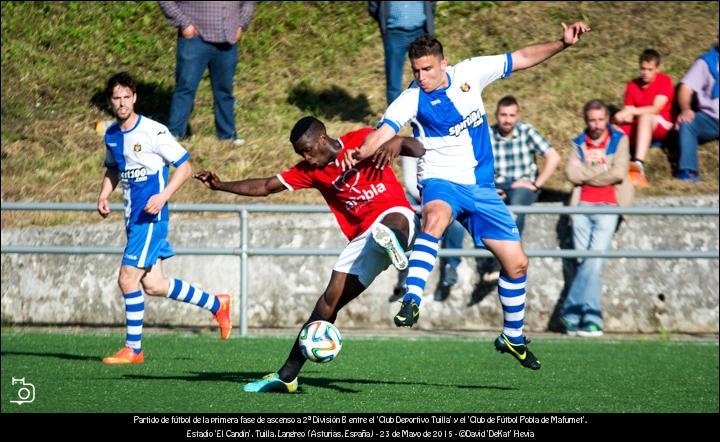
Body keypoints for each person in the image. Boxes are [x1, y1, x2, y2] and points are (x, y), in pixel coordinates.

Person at [344, 22, 593, 370]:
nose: (422, 76)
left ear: (444, 63)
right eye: (416, 71)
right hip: (439, 180)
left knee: (517, 262)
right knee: (436, 218)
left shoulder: (471, 73)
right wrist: (360, 153)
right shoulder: (412, 98)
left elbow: (520, 58)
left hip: (481, 188)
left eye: (427, 69)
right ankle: (412, 298)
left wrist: (562, 45)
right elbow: (383, 130)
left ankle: (512, 336)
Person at [194, 116, 424, 393]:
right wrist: (221, 185)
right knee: (328, 302)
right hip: (364, 238)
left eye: (308, 150)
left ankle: (396, 242)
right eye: (301, 153)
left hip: (395, 217)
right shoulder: (310, 171)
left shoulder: (362, 139)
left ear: (322, 139)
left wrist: (397, 141)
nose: (306, 157)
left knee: (395, 219)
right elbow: (266, 186)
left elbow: (419, 148)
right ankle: (288, 375)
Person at [97, 72, 232, 365]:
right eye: (116, 98)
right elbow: (113, 169)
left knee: (127, 278)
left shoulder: (153, 131)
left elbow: (184, 167)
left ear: (134, 97)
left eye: (126, 97)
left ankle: (134, 349)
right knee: (154, 285)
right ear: (111, 101)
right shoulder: (112, 135)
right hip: (133, 219)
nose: (121, 103)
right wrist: (104, 195)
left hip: (151, 218)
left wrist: (163, 197)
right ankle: (217, 303)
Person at [561, 99, 634, 337]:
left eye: (600, 119)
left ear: (607, 119)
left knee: (593, 261)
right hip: (581, 207)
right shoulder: (579, 142)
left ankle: (577, 315)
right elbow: (571, 173)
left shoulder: (619, 139)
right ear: (586, 120)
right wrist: (602, 173)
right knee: (586, 263)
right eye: (592, 120)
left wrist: (587, 175)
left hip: (609, 206)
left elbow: (619, 172)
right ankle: (587, 320)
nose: (596, 124)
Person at [477, 95, 562, 281]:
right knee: (484, 212)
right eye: (503, 115)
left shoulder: (526, 131)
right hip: (496, 185)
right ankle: (496, 260)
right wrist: (488, 188)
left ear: (518, 115)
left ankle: (503, 262)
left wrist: (535, 184)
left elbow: (553, 157)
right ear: (496, 115)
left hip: (522, 185)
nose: (507, 119)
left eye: (512, 115)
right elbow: (473, 164)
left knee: (515, 210)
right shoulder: (487, 134)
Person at [158, 1, 255, 144]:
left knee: (225, 91)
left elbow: (248, 3)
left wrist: (241, 24)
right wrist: (185, 24)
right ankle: (175, 135)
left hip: (227, 39)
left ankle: (228, 136)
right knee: (185, 88)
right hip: (195, 39)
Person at [391, 156, 467, 303]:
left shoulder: (451, 142)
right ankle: (404, 272)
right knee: (404, 219)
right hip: (419, 194)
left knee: (456, 224)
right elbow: (410, 181)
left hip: (445, 195)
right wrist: (428, 199)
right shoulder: (414, 144)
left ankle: (451, 266)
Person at [613, 49, 675, 188]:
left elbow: (656, 109)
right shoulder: (632, 85)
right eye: (642, 69)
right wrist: (620, 117)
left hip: (662, 124)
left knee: (646, 116)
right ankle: (610, 164)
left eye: (649, 69)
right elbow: (628, 110)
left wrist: (631, 111)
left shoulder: (665, 81)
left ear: (657, 69)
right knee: (614, 127)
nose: (645, 73)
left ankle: (639, 164)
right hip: (639, 123)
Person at [369, 1, 437, 105]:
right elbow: (374, 6)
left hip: (420, 31)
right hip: (394, 34)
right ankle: (395, 118)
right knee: (393, 80)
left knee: (427, 76)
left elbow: (431, 4)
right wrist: (382, 17)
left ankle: (427, 114)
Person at [674, 45, 719, 183]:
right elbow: (686, 88)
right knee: (687, 123)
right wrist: (686, 109)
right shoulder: (706, 62)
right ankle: (689, 172)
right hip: (711, 119)